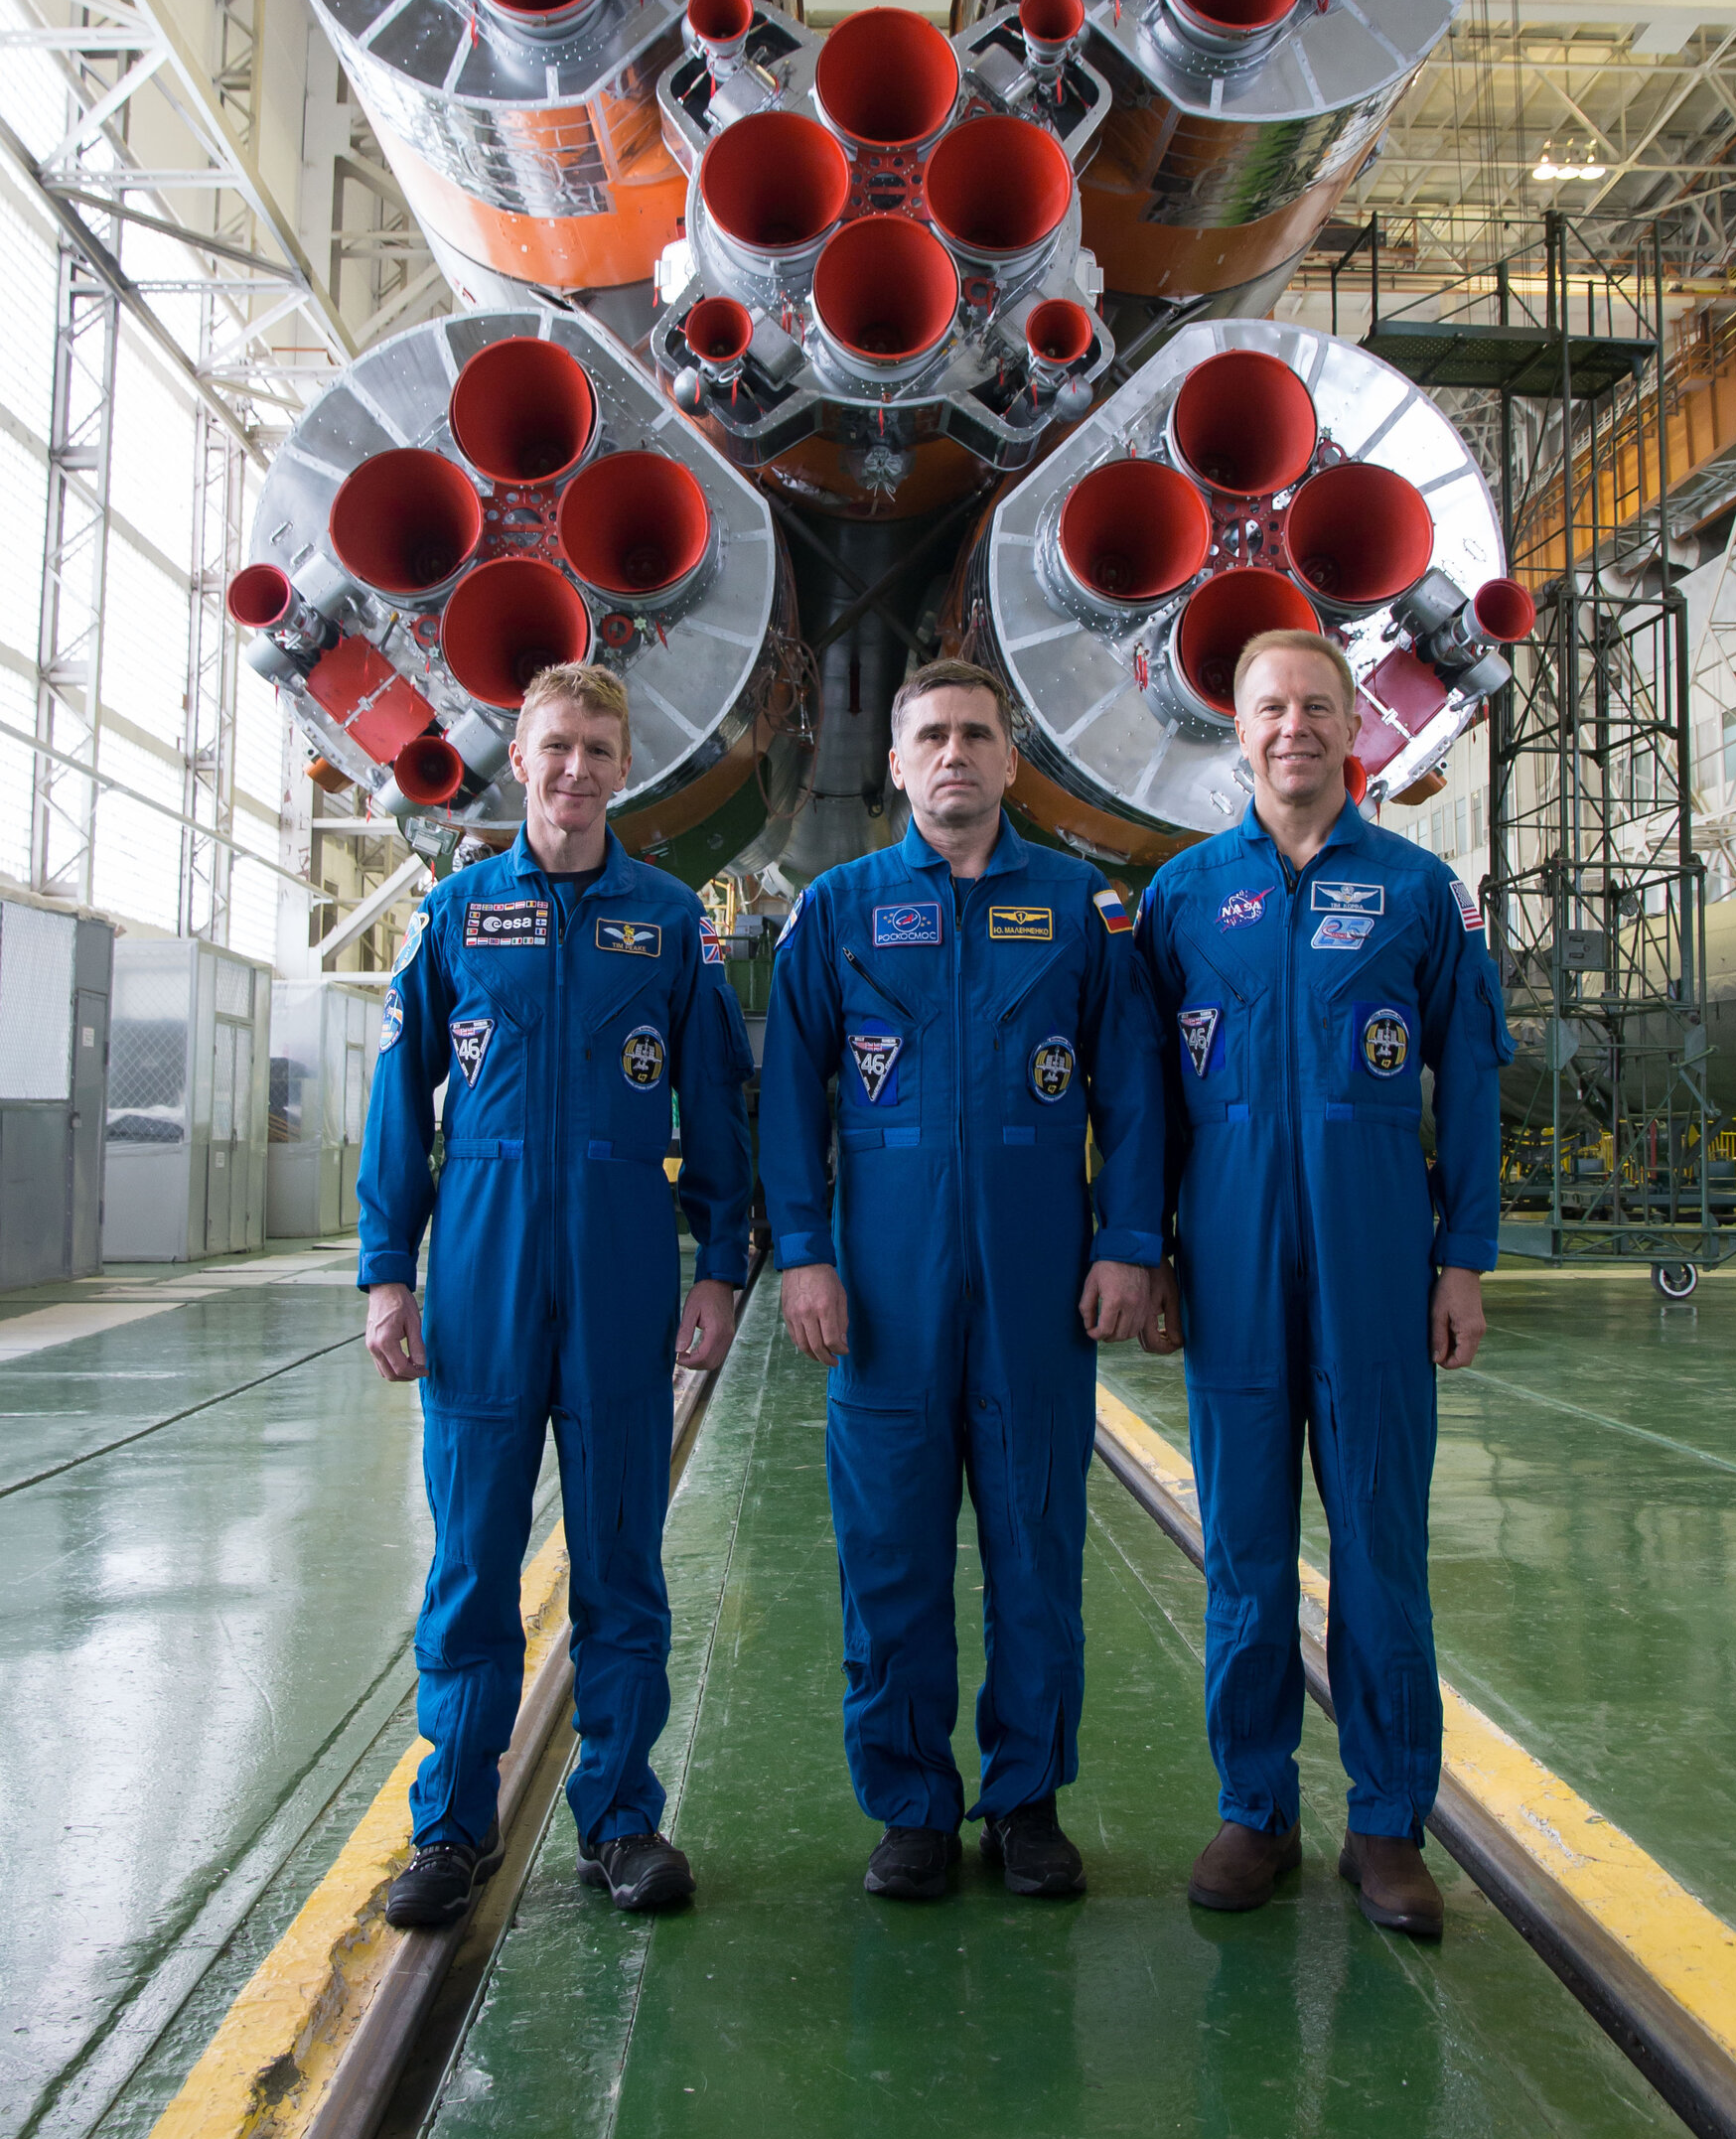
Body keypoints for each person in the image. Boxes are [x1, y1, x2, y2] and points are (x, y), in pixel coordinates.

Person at [759, 657, 1169, 1903]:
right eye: (930, 736)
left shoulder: (1083, 912)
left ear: (1009, 760)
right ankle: (911, 1807)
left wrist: (1127, 1242)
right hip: (885, 1290)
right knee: (889, 1554)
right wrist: (806, 1253)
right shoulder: (835, 913)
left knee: (1037, 1545)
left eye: (976, 736)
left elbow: (1134, 1093)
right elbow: (788, 1101)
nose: (953, 756)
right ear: (895, 764)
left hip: (1041, 1283)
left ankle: (1027, 1803)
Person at [360, 661, 753, 1927]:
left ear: (621, 768)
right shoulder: (460, 916)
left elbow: (718, 1108)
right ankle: (452, 1831)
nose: (575, 768)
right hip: (478, 1269)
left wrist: (722, 1264)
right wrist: (386, 1272)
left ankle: (622, 1819)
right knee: (471, 1564)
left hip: (624, 1264)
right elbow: (398, 1101)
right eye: (555, 747)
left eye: (597, 748)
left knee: (623, 1561)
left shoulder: (670, 921)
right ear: (516, 760)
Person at [1135, 630, 1513, 1936]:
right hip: (1231, 1267)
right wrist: (1152, 1249)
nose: (1293, 727)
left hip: (1372, 1264)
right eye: (1268, 708)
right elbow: (1144, 1108)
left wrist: (1463, 1256)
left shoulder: (1419, 892)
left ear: (1351, 724)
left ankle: (1387, 1824)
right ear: (1234, 733)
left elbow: (1467, 1080)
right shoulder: (1181, 900)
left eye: (1315, 706)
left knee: (1381, 1554)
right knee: (1243, 1552)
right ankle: (1255, 1811)